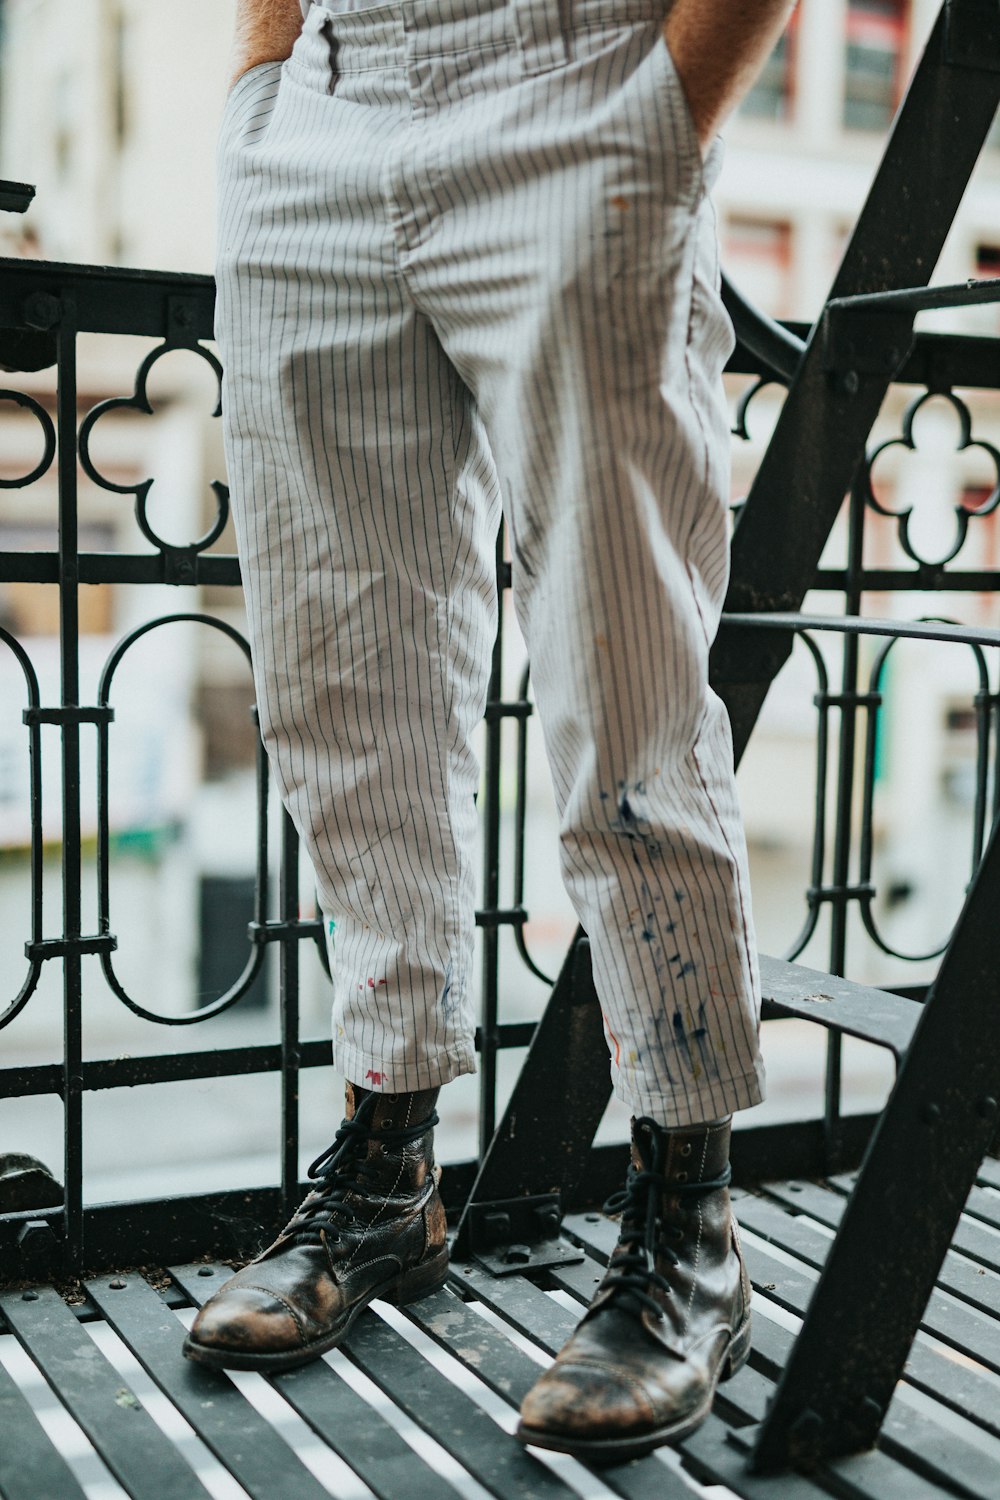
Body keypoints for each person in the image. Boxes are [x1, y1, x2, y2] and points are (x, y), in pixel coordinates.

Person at [182, 0, 793, 1459]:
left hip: (579, 72)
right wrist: (266, 84)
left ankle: (687, 1218)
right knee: (342, 685)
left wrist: (666, 110)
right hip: (318, 117)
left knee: (624, 679)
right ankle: (387, 1176)